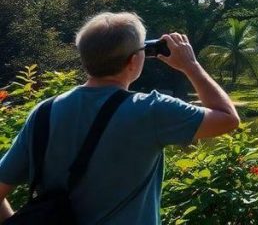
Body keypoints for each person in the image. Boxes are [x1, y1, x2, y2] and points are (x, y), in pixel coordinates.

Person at [0, 12, 241, 224]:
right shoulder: (150, 110)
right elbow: (228, 118)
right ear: (134, 60)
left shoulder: (44, 112)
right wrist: (191, 66)